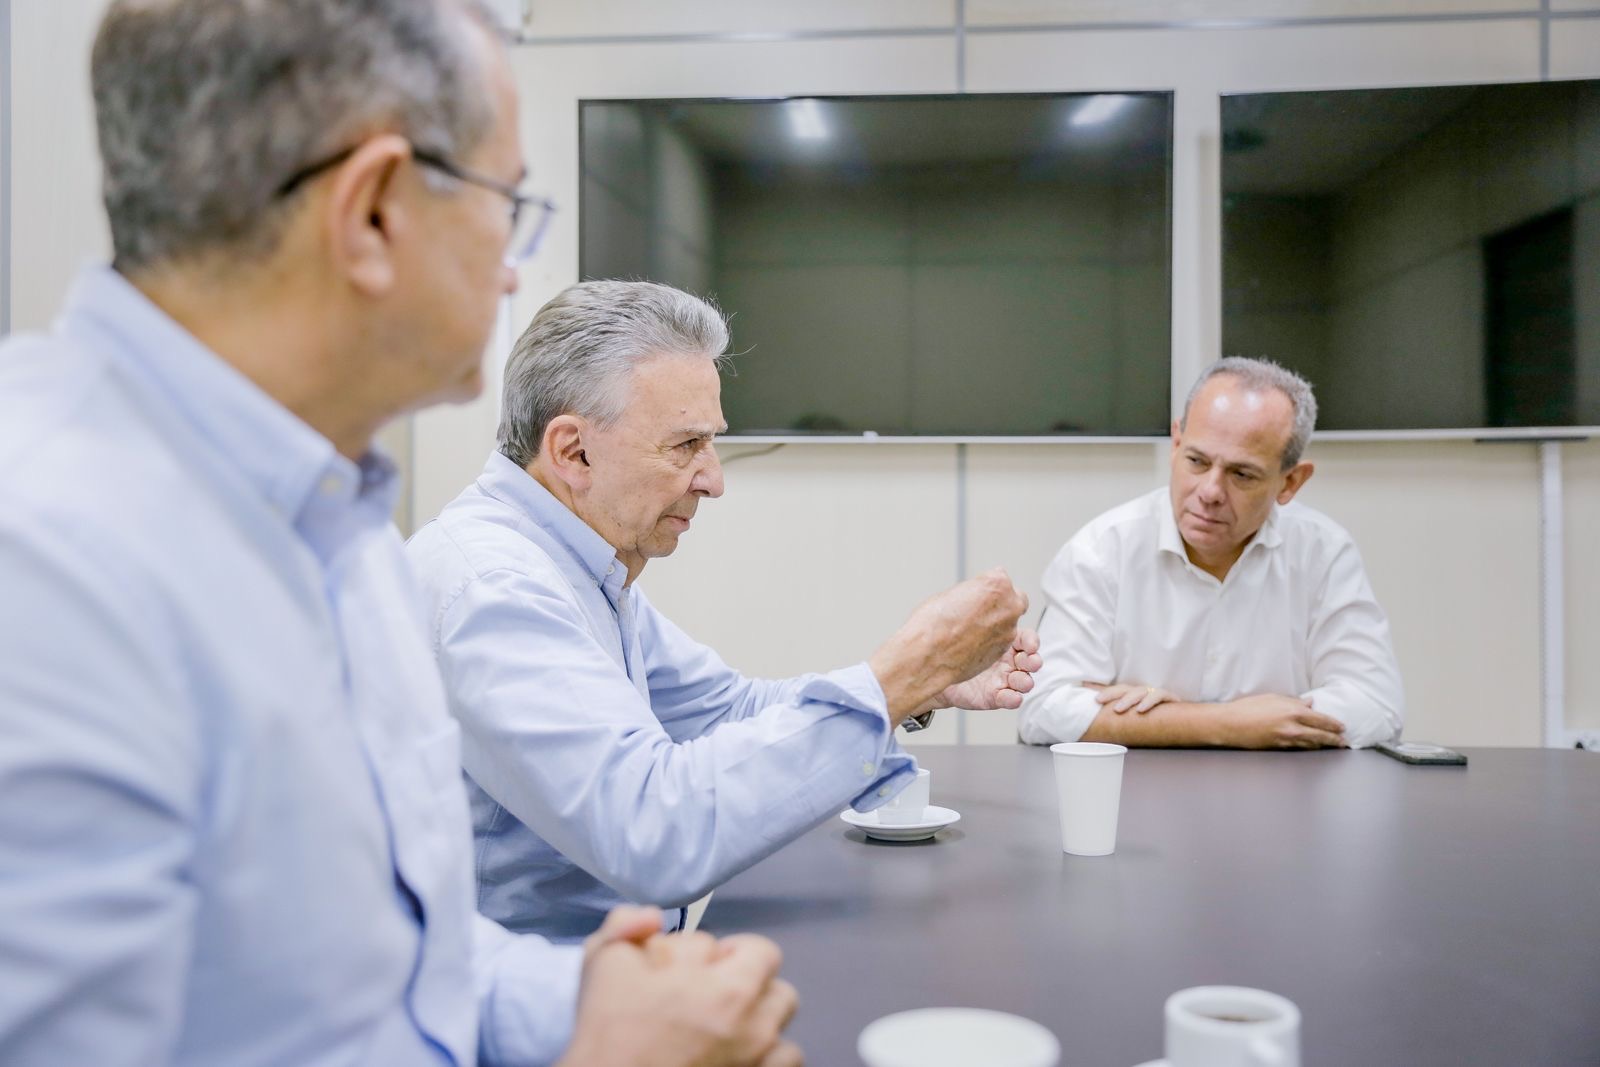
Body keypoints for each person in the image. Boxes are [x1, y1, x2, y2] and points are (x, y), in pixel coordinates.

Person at [0, 2, 799, 1065]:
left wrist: (580, 997)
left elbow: (378, 950)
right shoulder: (45, 559)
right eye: (507, 204)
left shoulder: (342, 525)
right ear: (372, 213)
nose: (515, 268)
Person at [406, 279, 1041, 940]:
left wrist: (922, 681)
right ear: (573, 450)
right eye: (685, 446)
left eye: (712, 443)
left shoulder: (576, 561)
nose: (713, 478)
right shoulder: (496, 588)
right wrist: (907, 669)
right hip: (532, 1012)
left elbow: (729, 709)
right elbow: (653, 833)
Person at [1018, 357, 1403, 750]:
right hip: (1136, 799)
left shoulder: (1323, 552)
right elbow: (1044, 709)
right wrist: (1228, 724)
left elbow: (1375, 704)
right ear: (1176, 443)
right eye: (1197, 461)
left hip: (1280, 798)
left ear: (1290, 482)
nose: (1210, 492)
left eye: (1242, 474)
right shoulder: (1101, 550)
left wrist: (1147, 719)